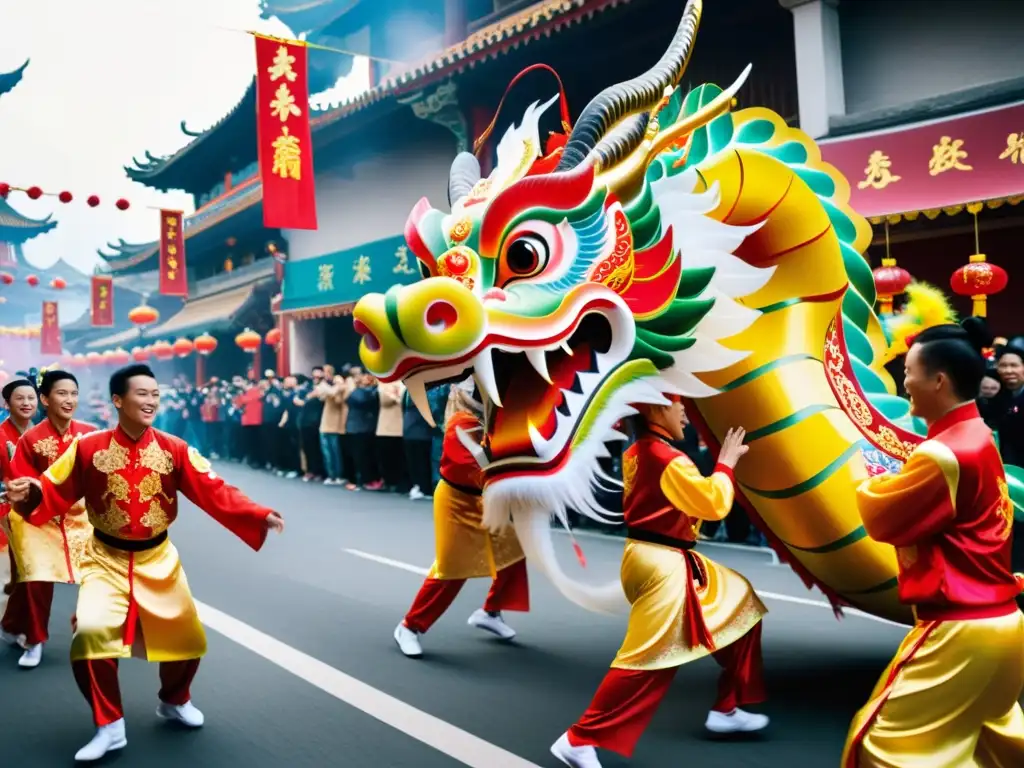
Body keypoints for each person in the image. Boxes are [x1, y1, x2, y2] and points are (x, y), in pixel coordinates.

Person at [5, 364, 285, 763]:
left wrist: (256, 514)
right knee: (90, 636)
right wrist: (29, 493)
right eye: (142, 393)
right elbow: (51, 488)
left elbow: (212, 488)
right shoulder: (87, 448)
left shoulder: (174, 448)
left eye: (155, 393)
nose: (151, 400)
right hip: (105, 557)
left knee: (187, 641)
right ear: (118, 400)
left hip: (158, 558)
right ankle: (109, 725)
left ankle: (174, 700)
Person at [841, 324, 1024, 768]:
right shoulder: (980, 434)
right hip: (1000, 623)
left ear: (938, 380)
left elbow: (881, 517)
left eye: (908, 372)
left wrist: (865, 473)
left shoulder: (941, 455)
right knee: (987, 748)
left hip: (960, 629)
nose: (904, 383)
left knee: (880, 747)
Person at [551, 395, 767, 768]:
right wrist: (726, 465)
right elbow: (714, 504)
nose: (684, 409)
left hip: (654, 555)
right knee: (650, 660)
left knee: (741, 603)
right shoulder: (667, 458)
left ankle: (728, 708)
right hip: (662, 563)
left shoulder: (641, 450)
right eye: (677, 401)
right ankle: (578, 739)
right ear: (654, 409)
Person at [393, 380, 529, 657]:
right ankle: (409, 626)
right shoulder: (462, 421)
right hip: (457, 499)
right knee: (453, 569)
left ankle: (490, 612)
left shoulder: (495, 417)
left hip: (486, 498)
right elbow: (469, 470)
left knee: (513, 552)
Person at [3, 370, 95, 669]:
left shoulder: (90, 433)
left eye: (73, 394)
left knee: (101, 575)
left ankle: (91, 631)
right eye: (61, 393)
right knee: (36, 577)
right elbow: (21, 482)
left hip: (83, 519)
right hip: (38, 519)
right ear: (46, 399)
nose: (69, 400)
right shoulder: (30, 440)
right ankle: (35, 639)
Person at [0, 378, 39, 642]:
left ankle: (16, 624)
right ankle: (20, 626)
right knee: (18, 572)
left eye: (31, 398)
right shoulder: (2, 435)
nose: (26, 403)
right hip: (8, 512)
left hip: (38, 511)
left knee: (28, 574)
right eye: (20, 398)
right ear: (7, 403)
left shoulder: (42, 433)